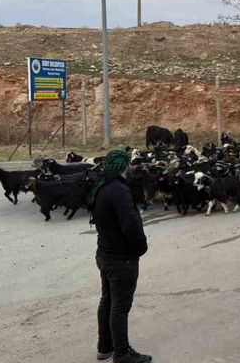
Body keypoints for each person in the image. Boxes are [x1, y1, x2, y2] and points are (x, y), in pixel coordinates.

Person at [91, 149, 151, 363]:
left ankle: (105, 347)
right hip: (121, 258)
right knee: (120, 306)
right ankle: (122, 353)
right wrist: (140, 247)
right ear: (125, 166)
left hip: (105, 254)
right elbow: (131, 224)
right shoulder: (119, 190)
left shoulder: (101, 186)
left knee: (107, 300)